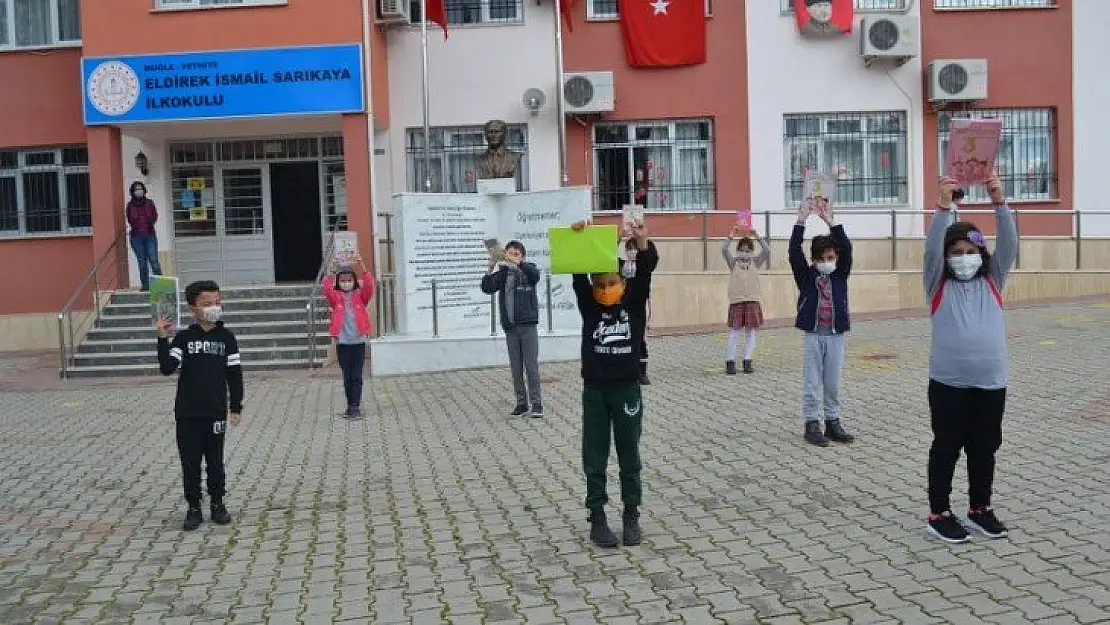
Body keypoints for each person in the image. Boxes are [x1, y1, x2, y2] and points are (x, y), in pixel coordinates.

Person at [923, 174, 1017, 544]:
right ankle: (938, 512)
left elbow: (1009, 244)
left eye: (970, 251)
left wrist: (1000, 203)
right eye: (956, 252)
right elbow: (931, 249)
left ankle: (980, 508)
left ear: (982, 254)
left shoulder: (993, 279)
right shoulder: (937, 284)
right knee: (946, 446)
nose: (964, 259)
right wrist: (943, 207)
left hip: (991, 381)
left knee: (985, 446)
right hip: (949, 383)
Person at [569, 220, 651, 549]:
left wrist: (640, 242)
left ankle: (631, 515)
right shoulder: (589, 308)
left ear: (622, 282)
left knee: (629, 452)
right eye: (600, 284)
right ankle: (597, 517)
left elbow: (643, 275)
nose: (606, 289)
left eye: (612, 282)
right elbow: (577, 272)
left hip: (627, 390)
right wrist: (582, 239)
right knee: (595, 454)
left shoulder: (631, 305)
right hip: (595, 392)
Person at [156, 280, 243, 531]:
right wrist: (163, 338)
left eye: (217, 302)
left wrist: (235, 407)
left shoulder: (227, 338)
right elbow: (167, 368)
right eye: (207, 304)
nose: (214, 307)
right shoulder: (184, 338)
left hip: (215, 411)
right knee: (190, 462)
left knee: (215, 461)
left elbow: (235, 375)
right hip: (188, 413)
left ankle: (217, 503)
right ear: (193, 308)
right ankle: (193, 507)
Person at [788, 198, 855, 447]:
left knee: (832, 382)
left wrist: (830, 221)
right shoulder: (806, 276)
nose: (829, 261)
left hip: (836, 335)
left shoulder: (840, 274)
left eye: (832, 257)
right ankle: (811, 423)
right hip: (814, 335)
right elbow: (794, 251)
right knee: (812, 381)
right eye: (823, 258)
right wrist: (801, 221)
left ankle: (833, 422)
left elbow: (847, 249)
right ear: (814, 260)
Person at [481, 241, 544, 417]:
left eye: (516, 254)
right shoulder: (502, 274)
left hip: (528, 326)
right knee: (516, 368)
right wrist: (490, 267)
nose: (511, 256)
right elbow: (487, 288)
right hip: (511, 328)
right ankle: (521, 403)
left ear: (522, 256)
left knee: (531, 367)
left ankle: (537, 404)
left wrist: (519, 263)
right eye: (509, 253)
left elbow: (536, 276)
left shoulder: (528, 270)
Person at [322, 255, 375, 419]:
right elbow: (326, 287)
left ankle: (356, 407)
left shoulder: (360, 297)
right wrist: (333, 267)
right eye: (343, 280)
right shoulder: (336, 298)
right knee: (347, 376)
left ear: (353, 280)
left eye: (349, 279)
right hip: (343, 343)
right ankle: (349, 405)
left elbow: (370, 286)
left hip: (358, 342)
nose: (346, 282)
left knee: (357, 376)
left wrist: (362, 266)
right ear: (339, 281)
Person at [722, 223, 771, 375]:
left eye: (748, 250)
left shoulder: (756, 262)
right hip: (737, 300)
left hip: (752, 300)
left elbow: (767, 250)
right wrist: (732, 234)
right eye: (742, 249)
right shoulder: (733, 262)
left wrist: (756, 235)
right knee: (735, 332)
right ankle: (730, 361)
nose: (744, 252)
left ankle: (747, 361)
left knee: (750, 333)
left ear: (752, 251)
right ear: (738, 250)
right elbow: (724, 250)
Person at [619, 223, 659, 385]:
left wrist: (642, 239)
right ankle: (624, 369)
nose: (632, 252)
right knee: (622, 338)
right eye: (630, 249)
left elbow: (651, 257)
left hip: (639, 306)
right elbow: (605, 258)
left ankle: (641, 372)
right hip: (621, 307)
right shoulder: (621, 265)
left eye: (635, 249)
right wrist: (618, 237)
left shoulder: (644, 266)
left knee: (639, 340)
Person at [126, 181, 162, 292]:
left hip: (150, 235)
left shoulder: (149, 203)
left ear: (144, 190)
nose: (139, 191)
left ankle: (160, 285)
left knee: (154, 261)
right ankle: (146, 286)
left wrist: (150, 224)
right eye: (136, 189)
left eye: (140, 189)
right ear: (133, 192)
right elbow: (129, 218)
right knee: (142, 262)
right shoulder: (130, 205)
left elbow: (155, 215)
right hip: (137, 237)